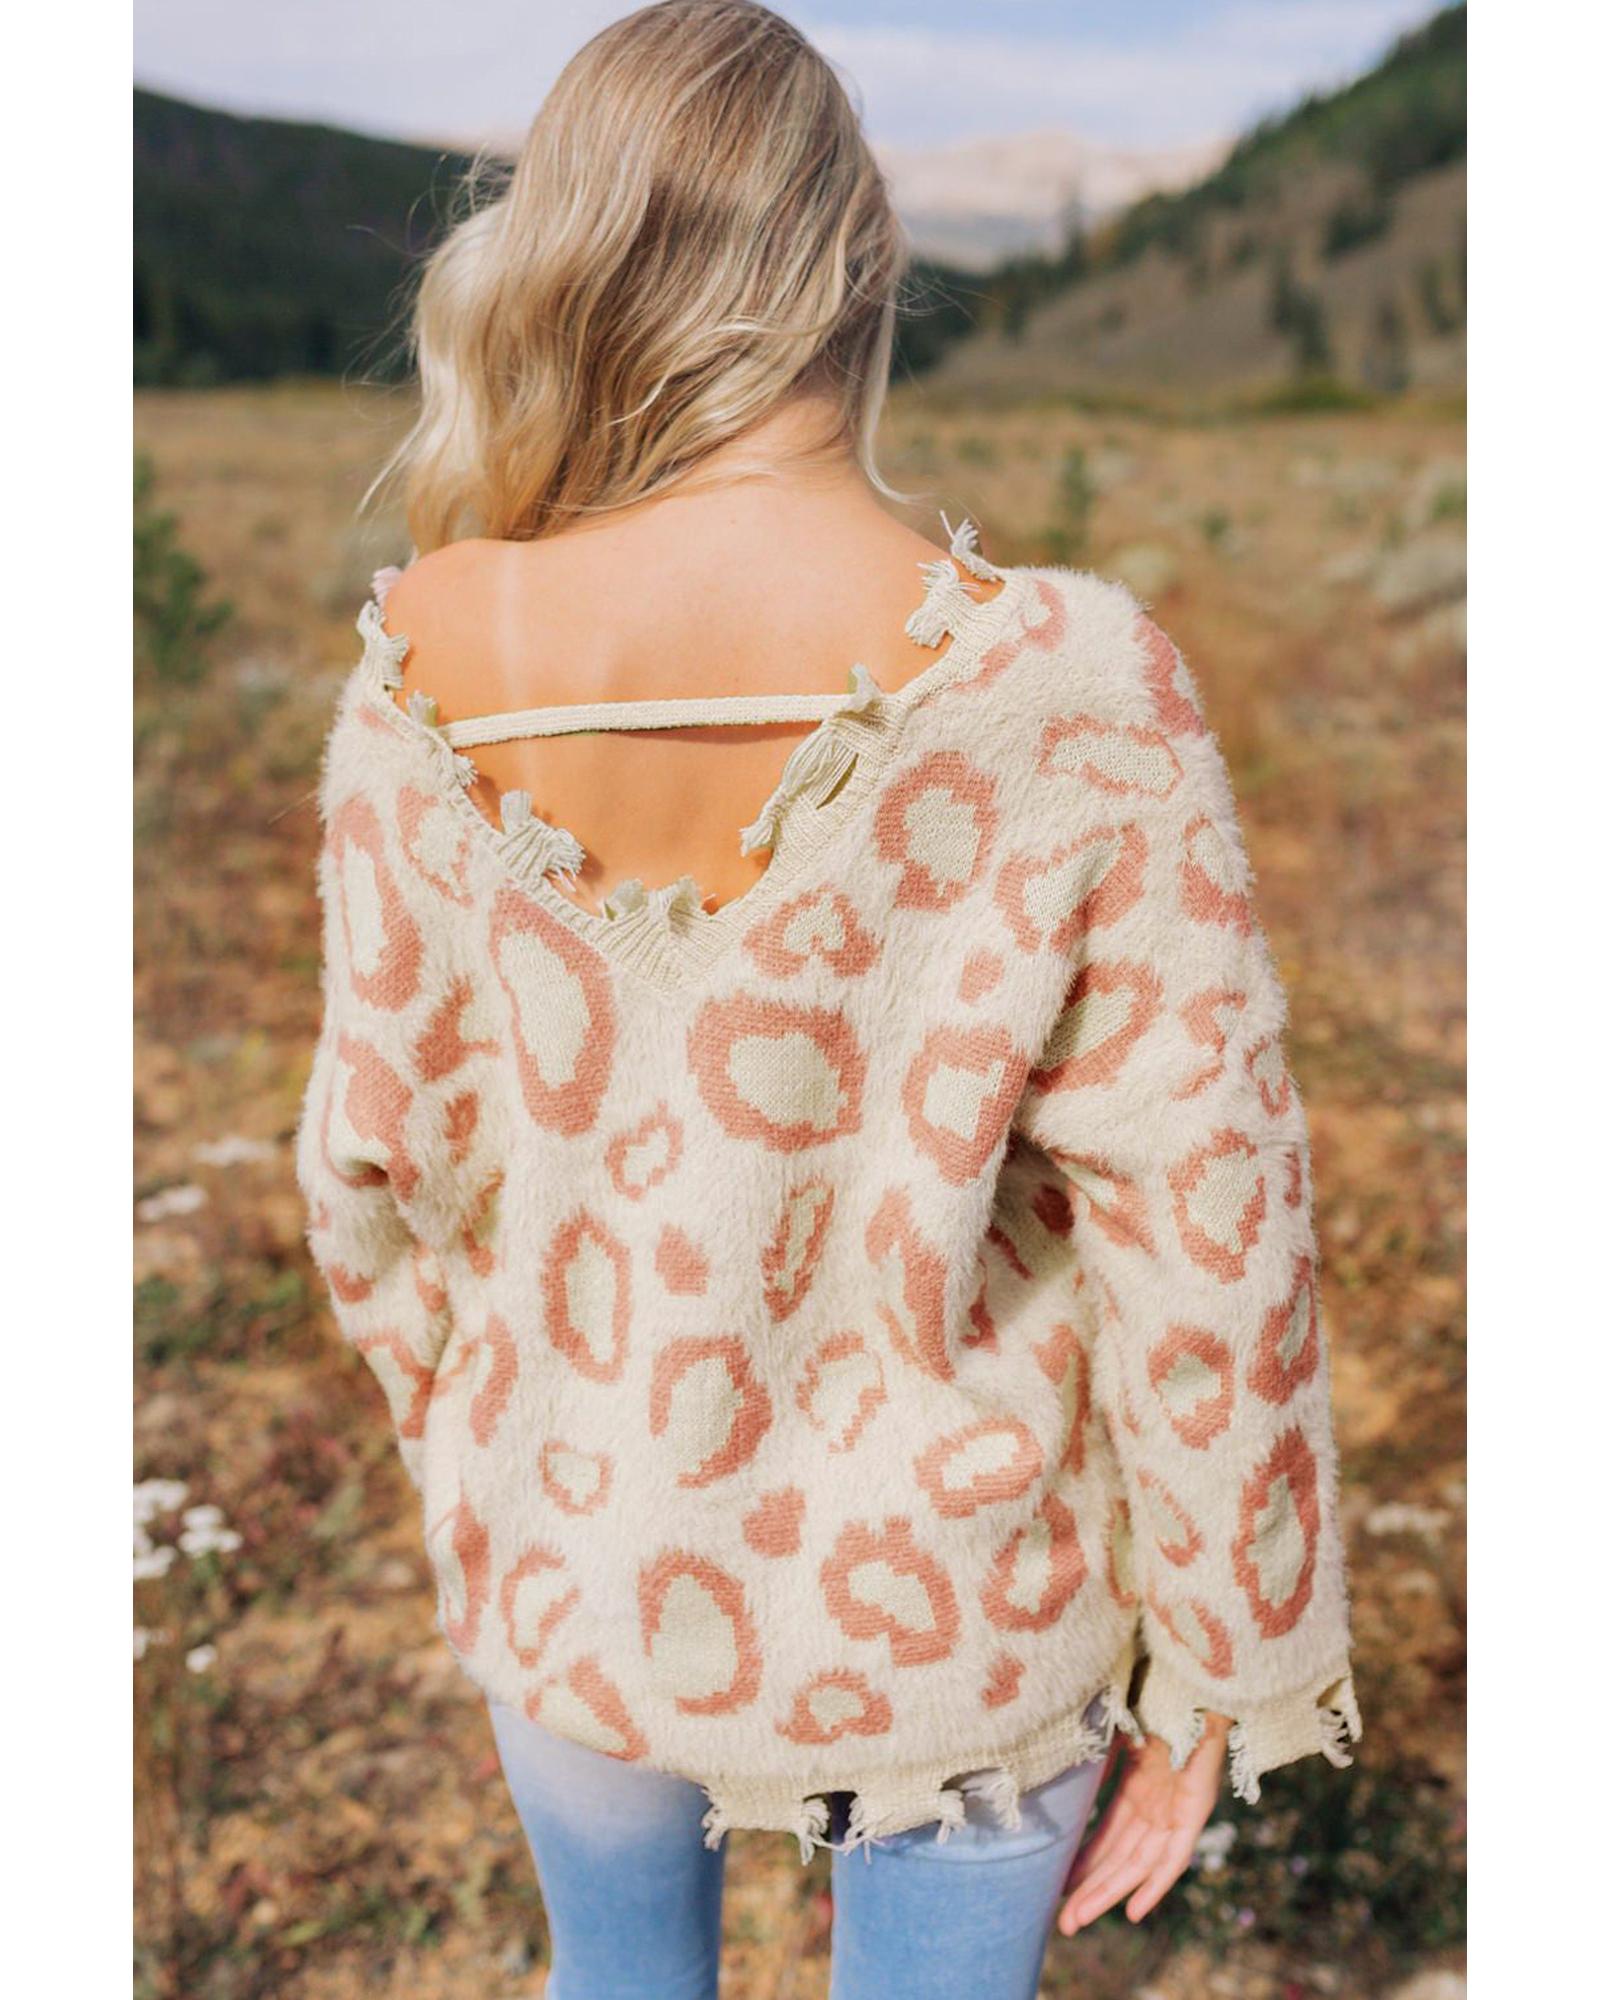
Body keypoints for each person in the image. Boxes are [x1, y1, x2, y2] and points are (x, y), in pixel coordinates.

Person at [293, 5, 1360, 1995]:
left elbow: (370, 1175)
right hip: (960, 1604)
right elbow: (1205, 1219)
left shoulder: (420, 660)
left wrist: (489, 1450)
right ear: (860, 270)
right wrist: (1229, 1651)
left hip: (581, 1556)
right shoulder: (1071, 682)